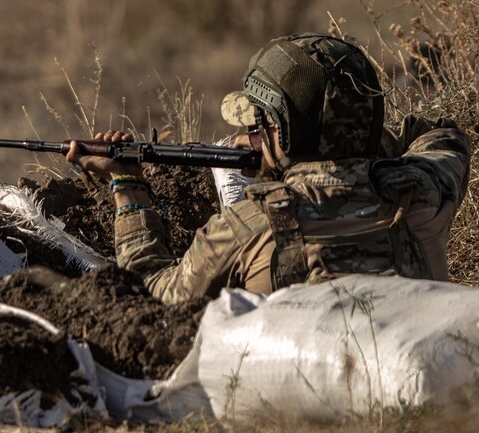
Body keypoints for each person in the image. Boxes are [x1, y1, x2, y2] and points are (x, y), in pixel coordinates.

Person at [66, 33, 472, 304]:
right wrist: (345, 143)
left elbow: (148, 293)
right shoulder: (426, 190)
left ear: (281, 130)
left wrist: (125, 182)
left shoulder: (247, 226)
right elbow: (438, 133)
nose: (248, 133)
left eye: (258, 125)